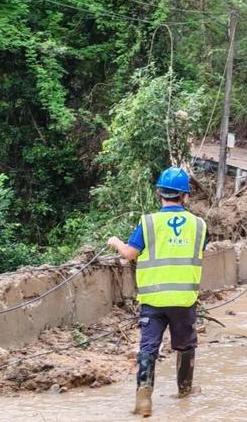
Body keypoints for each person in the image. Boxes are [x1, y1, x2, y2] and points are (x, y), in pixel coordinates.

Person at [107, 167, 207, 417]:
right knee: (185, 346)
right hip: (184, 300)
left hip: (152, 299)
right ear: (184, 196)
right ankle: (185, 391)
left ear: (159, 193)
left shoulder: (148, 222)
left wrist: (115, 242)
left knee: (148, 347)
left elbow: (130, 253)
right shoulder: (199, 225)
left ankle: (143, 397)